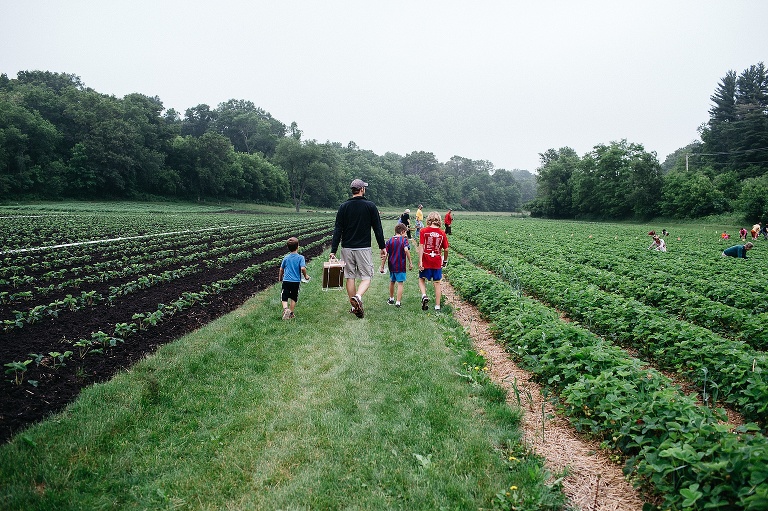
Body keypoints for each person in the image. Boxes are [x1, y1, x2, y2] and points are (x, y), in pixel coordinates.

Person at [330, 178, 386, 319]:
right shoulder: (370, 206)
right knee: (366, 277)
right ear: (362, 190)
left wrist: (333, 250)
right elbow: (377, 228)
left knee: (350, 277)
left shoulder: (343, 207)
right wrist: (382, 247)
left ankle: (353, 306)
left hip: (346, 248)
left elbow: (338, 230)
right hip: (363, 248)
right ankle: (358, 297)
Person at [418, 211, 449, 311]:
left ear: (429, 220)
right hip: (436, 261)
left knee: (421, 278)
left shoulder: (423, 231)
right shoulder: (442, 233)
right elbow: (446, 249)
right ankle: (437, 306)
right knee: (437, 283)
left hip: (426, 260)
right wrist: (445, 261)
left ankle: (424, 295)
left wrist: (420, 261)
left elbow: (421, 246)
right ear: (439, 220)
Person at [379, 223, 413, 307]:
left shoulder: (390, 240)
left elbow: (385, 254)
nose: (405, 235)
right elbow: (406, 250)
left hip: (392, 265)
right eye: (405, 233)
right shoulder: (404, 240)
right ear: (402, 232)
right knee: (400, 283)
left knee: (392, 281)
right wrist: (410, 262)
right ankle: (398, 302)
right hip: (400, 265)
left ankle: (391, 299)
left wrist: (382, 266)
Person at [278, 237, 310, 320]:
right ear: (298, 247)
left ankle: (285, 309)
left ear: (288, 248)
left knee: (284, 296)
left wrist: (280, 277)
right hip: (296, 281)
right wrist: (306, 276)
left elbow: (281, 269)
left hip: (286, 280)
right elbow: (303, 268)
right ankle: (291, 313)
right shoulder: (300, 258)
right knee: (293, 297)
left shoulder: (286, 258)